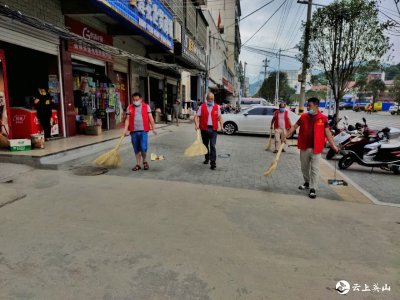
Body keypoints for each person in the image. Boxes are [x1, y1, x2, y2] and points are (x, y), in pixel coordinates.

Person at [283, 98, 338, 199]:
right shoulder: (304, 117)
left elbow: (327, 133)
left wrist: (333, 145)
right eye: (307, 106)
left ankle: (313, 188)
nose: (307, 108)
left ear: (316, 107)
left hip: (316, 148)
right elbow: (294, 127)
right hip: (304, 147)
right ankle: (307, 182)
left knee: (314, 169)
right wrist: (285, 136)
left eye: (309, 106)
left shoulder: (323, 119)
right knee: (304, 167)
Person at [123, 93, 158, 171]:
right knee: (136, 148)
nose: (135, 101)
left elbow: (151, 118)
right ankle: (138, 164)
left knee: (143, 147)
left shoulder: (146, 106)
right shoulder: (130, 107)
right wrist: (125, 129)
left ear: (141, 99)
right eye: (134, 100)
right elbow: (127, 119)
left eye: (137, 100)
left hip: (143, 131)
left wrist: (153, 128)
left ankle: (144, 160)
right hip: (133, 131)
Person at [194, 92, 225, 170]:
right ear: (206, 99)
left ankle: (213, 162)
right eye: (209, 99)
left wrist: (222, 126)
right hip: (204, 128)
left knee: (213, 146)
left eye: (212, 99)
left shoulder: (217, 107)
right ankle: (207, 157)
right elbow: (196, 116)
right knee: (205, 145)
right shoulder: (202, 106)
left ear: (213, 99)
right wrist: (196, 125)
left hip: (213, 129)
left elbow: (220, 117)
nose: (210, 100)